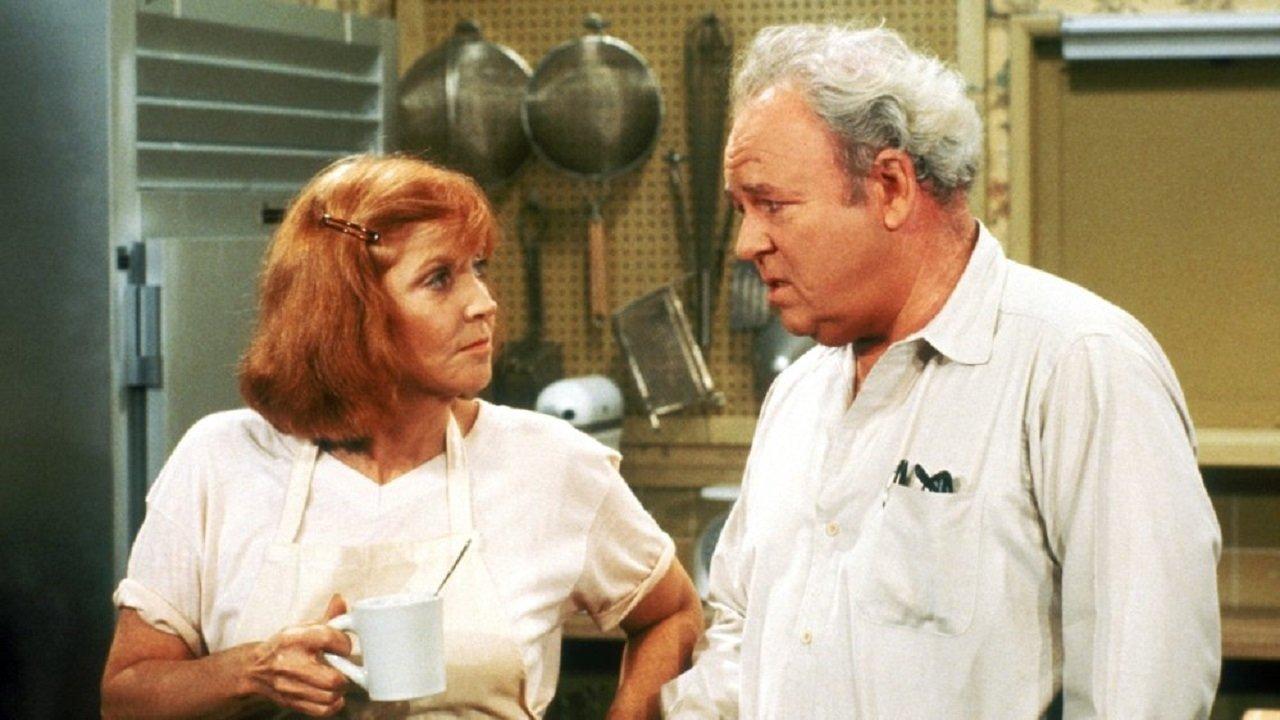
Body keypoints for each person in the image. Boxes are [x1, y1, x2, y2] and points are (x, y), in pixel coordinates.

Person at [661, 23, 1221, 719]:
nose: (747, 244)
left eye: (771, 204)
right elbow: (743, 636)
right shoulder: (799, 393)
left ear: (892, 186)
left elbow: (1142, 691)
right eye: (741, 211)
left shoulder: (1079, 365)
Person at [100, 155, 702, 719]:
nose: (484, 304)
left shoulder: (551, 463)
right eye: (440, 279)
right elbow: (124, 696)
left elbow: (672, 614)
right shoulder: (221, 460)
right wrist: (250, 672)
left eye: (478, 269)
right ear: (348, 312)